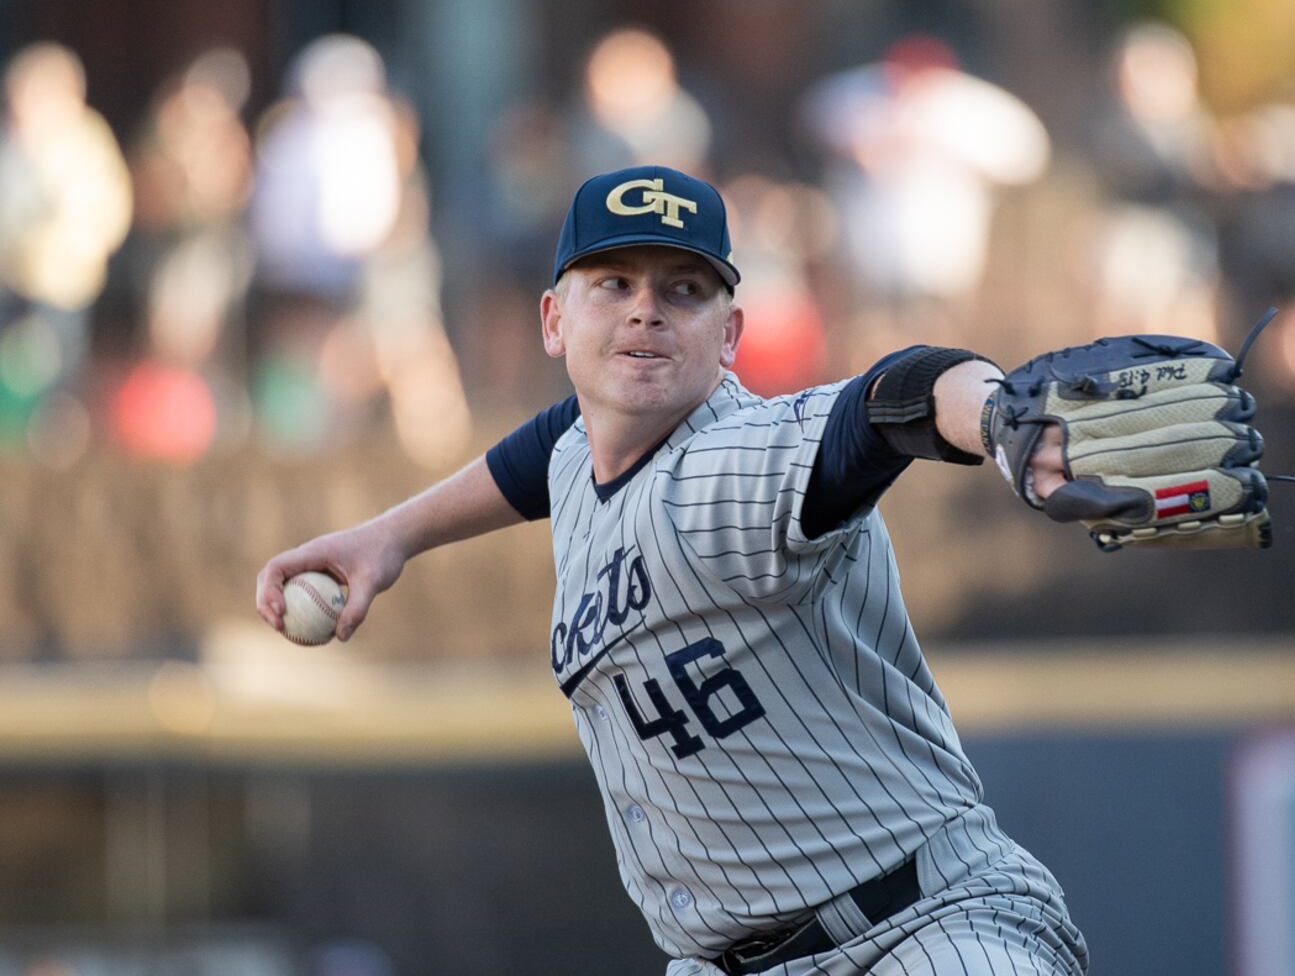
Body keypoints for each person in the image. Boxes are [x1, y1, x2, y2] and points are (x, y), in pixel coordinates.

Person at [255, 166, 1098, 974]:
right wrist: (390, 536)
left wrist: (996, 415)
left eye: (682, 290)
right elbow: (543, 448)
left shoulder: (738, 465)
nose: (645, 313)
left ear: (730, 334)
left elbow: (894, 398)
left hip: (923, 931)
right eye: (614, 284)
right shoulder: (582, 445)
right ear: (554, 321)